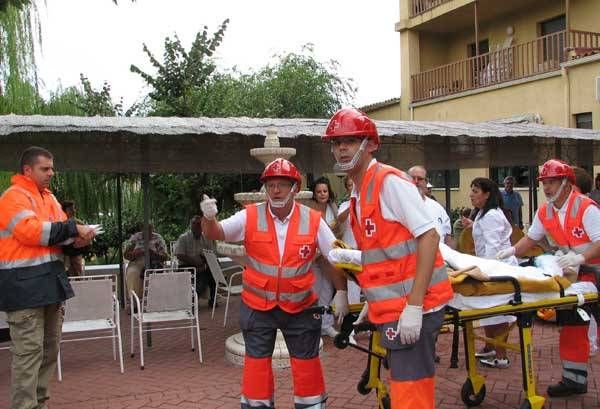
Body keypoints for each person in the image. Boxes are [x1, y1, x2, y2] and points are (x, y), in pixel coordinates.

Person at [323, 108, 453, 409]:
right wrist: (373, 299)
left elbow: (430, 237)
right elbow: (384, 256)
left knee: (411, 389)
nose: (342, 148)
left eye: (351, 140)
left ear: (370, 144)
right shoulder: (359, 191)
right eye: (336, 141)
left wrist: (415, 306)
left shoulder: (389, 182)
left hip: (417, 305)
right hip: (397, 307)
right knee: (406, 385)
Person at [201, 158, 349, 409]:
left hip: (301, 308)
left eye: (282, 184)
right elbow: (216, 233)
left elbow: (333, 256)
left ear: (295, 187)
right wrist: (209, 218)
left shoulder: (313, 220)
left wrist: (342, 292)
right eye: (271, 185)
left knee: (307, 366)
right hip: (258, 307)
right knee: (257, 367)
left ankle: (311, 405)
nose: (276, 190)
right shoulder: (250, 215)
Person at [0, 146, 95, 409]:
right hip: (24, 290)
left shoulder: (49, 198)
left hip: (49, 285)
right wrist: (72, 228)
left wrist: (78, 239)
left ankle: (39, 404)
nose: (51, 173)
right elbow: (32, 232)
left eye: (52, 168)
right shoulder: (13, 197)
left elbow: (60, 235)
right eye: (45, 168)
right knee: (29, 356)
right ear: (27, 170)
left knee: (48, 353)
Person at [497, 159, 600, 397]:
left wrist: (579, 258)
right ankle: (574, 380)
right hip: (576, 278)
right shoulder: (545, 211)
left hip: (593, 271)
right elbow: (531, 239)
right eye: (544, 182)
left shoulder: (586, 208)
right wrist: (511, 251)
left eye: (552, 182)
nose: (546, 188)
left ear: (566, 183)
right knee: (572, 327)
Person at [462, 178, 517, 369]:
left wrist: (487, 273)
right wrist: (472, 225)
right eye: (472, 190)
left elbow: (493, 247)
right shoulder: (484, 214)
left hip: (498, 268)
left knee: (498, 311)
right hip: (489, 265)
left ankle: (501, 355)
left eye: (475, 191)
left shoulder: (492, 215)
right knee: (488, 309)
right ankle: (490, 346)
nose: (471, 194)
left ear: (487, 194)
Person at [310, 176, 341, 337]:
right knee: (315, 289)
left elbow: (338, 230)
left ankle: (326, 324)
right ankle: (312, 323)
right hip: (314, 257)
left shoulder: (333, 207)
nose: (322, 194)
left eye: (325, 191)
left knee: (328, 290)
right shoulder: (310, 208)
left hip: (329, 258)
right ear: (314, 194)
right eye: (319, 191)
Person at [175, 215, 217, 307]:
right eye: (195, 224)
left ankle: (213, 299)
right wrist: (195, 264)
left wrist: (203, 265)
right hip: (186, 265)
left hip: (202, 264)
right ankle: (191, 301)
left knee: (212, 272)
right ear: (191, 225)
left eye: (199, 224)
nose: (197, 226)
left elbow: (211, 254)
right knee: (201, 276)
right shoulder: (184, 238)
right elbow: (179, 255)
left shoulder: (206, 238)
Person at [123, 223, 168, 302]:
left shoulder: (158, 238)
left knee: (156, 274)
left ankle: (154, 301)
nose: (147, 232)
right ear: (142, 229)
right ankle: (134, 302)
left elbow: (165, 257)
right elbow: (126, 255)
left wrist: (152, 253)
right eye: (145, 230)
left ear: (152, 230)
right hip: (137, 262)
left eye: (149, 230)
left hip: (154, 263)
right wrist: (136, 253)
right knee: (132, 273)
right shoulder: (135, 238)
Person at [408, 165, 452, 246]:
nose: (416, 181)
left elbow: (447, 236)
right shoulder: (398, 206)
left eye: (420, 179)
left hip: (439, 256)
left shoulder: (438, 208)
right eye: (412, 178)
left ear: (426, 182)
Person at [61, 200, 85, 276]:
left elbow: (85, 238)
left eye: (74, 208)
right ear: (65, 211)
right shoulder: (60, 223)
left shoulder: (79, 222)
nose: (73, 211)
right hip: (63, 255)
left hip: (76, 254)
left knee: (77, 275)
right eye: (70, 209)